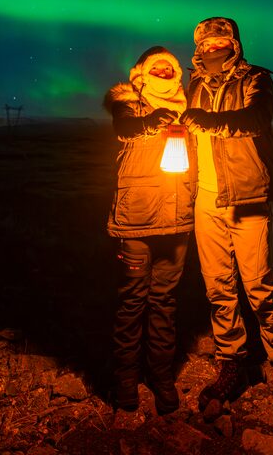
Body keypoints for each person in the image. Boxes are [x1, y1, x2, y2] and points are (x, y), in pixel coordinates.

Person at [178, 17, 273, 432]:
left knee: (260, 286)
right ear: (198, 48)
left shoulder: (256, 80)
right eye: (207, 42)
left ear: (234, 43)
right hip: (206, 199)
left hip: (250, 196)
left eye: (222, 40)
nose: (215, 47)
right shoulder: (194, 85)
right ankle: (232, 363)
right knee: (218, 287)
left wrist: (209, 123)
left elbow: (256, 119)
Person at [102, 46, 195, 414]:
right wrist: (149, 122)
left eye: (169, 66)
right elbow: (124, 127)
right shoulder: (129, 102)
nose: (163, 70)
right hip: (137, 220)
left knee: (165, 303)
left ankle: (161, 377)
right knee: (132, 301)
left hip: (177, 220)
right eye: (155, 66)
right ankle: (126, 380)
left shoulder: (188, 110)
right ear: (140, 73)